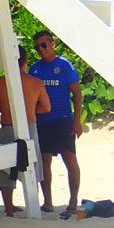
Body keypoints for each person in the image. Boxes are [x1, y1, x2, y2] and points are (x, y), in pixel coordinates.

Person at [0, 45, 51, 216]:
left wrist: (5, 108)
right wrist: (28, 110)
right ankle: (33, 206)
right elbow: (46, 107)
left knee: (6, 167)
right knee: (33, 166)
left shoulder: (0, 82)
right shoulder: (36, 83)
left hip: (8, 125)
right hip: (30, 126)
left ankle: (8, 209)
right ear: (26, 62)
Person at [28, 30, 82, 212]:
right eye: (37, 47)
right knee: (44, 162)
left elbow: (77, 93)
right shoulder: (34, 69)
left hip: (63, 119)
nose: (41, 49)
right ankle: (48, 202)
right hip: (42, 121)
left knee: (70, 159)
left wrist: (77, 120)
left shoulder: (65, 65)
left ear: (52, 44)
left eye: (44, 45)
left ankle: (73, 201)